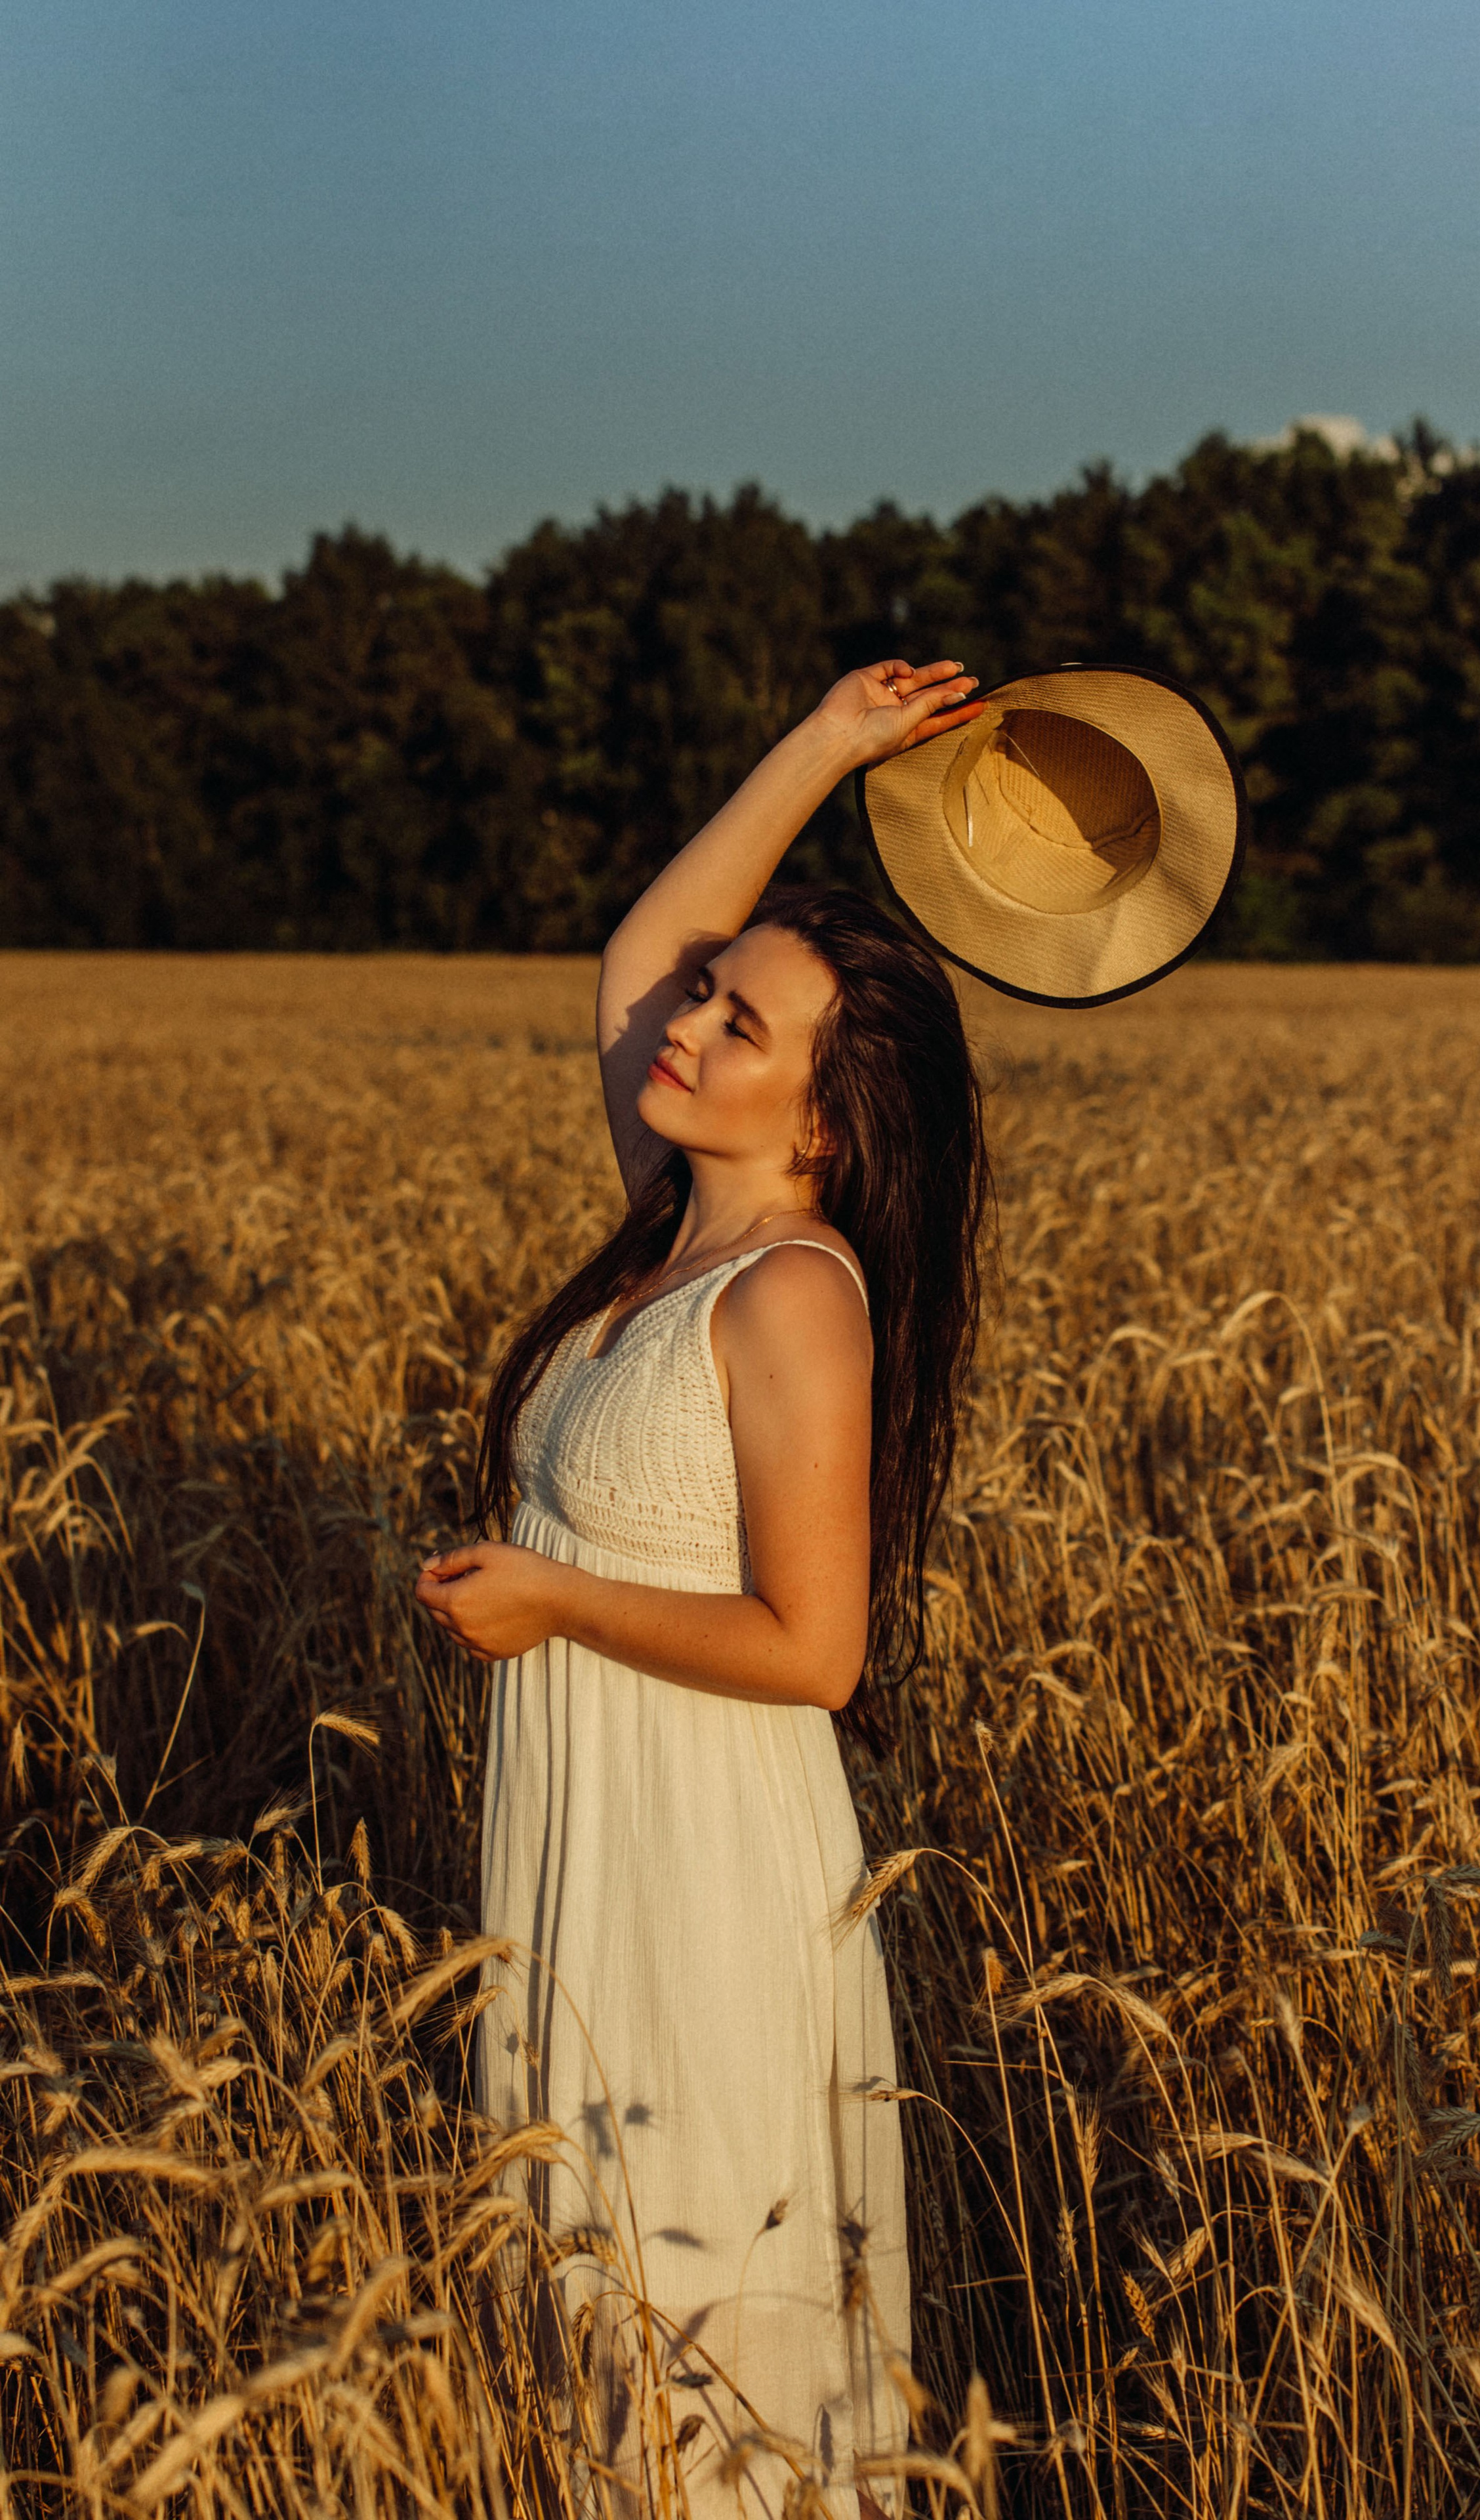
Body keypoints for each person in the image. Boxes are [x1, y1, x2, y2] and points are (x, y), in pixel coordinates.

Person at [415, 658, 992, 2520]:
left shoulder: (795, 1297)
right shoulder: (669, 1232)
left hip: (709, 1873)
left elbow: (816, 1652)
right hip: (600, 1830)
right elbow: (637, 947)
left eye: (739, 1025)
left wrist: (557, 1604)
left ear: (823, 1120)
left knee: (703, 2339)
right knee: (592, 2312)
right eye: (709, 1000)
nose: (687, 1022)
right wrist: (826, 748)